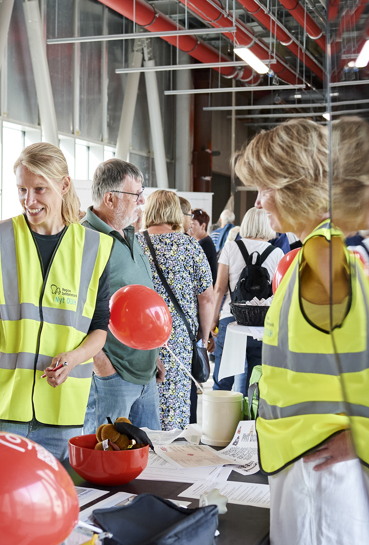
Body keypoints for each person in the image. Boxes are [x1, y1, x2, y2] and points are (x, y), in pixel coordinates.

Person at [241, 116, 369, 545]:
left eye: (266, 189)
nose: (260, 202)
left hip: (318, 471)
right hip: (314, 466)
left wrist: (360, 431)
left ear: (297, 189)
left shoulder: (323, 261)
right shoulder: (319, 255)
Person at [0, 143, 113, 460]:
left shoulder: (95, 248)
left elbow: (99, 327)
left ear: (64, 185)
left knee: (56, 495)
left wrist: (74, 358)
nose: (29, 201)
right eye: (21, 190)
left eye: (39, 189)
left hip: (63, 415)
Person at [80, 159, 164, 436]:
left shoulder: (129, 234)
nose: (142, 201)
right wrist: (103, 366)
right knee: (108, 455)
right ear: (110, 198)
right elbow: (76, 314)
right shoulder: (83, 240)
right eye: (135, 194)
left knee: (150, 455)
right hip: (111, 377)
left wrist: (152, 356)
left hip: (145, 373)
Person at [139, 190, 214, 431]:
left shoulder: (135, 244)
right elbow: (207, 298)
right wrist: (203, 337)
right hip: (179, 341)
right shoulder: (190, 246)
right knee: (175, 411)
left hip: (140, 339)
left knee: (142, 410)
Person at [211, 207, 283, 394]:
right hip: (261, 324)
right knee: (255, 383)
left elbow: (219, 288)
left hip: (231, 319)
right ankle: (248, 414)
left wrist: (213, 319)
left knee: (222, 382)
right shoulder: (277, 253)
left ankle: (221, 413)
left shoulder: (231, 247)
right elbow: (280, 293)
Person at [189, 207, 218, 282]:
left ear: (203, 226)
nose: (190, 226)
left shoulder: (204, 243)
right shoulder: (205, 241)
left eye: (193, 224)